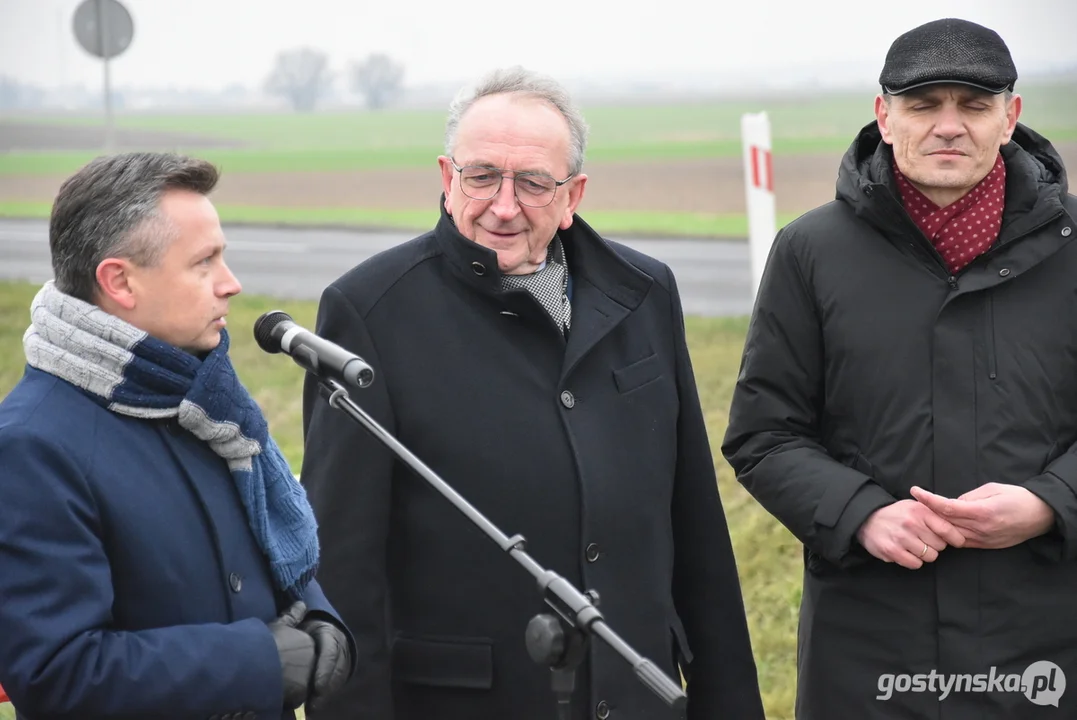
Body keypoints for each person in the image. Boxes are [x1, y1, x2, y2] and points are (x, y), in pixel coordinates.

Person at [298, 66, 765, 720]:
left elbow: (692, 524)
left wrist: (729, 702)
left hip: (636, 696)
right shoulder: (369, 311)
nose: (503, 205)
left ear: (572, 193)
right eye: (481, 175)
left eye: (532, 182)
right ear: (445, 177)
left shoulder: (644, 294)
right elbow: (343, 565)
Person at [722, 16, 1077, 720]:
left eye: (972, 106)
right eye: (923, 105)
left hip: (1044, 640)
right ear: (884, 116)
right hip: (868, 644)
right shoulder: (809, 252)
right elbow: (763, 435)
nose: (949, 126)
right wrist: (861, 515)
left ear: (1009, 118)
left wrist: (1049, 503)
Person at [0, 152, 356, 718]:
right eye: (203, 263)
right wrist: (256, 662)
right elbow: (57, 673)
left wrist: (317, 612)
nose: (232, 284)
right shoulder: (31, 446)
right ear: (119, 281)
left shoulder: (207, 404)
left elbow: (268, 545)